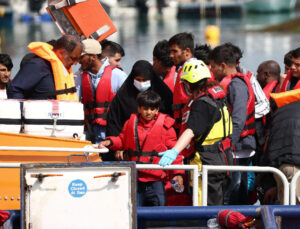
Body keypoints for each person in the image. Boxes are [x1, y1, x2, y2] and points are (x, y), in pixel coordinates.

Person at [159, 59, 233, 206]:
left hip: (206, 161)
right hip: (224, 157)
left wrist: (174, 151)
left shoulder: (202, 102)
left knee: (203, 205)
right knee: (216, 204)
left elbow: (191, 130)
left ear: (188, 84)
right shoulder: (219, 97)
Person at [99, 90, 184, 206]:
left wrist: (178, 173)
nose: (148, 112)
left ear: (157, 110)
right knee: (133, 210)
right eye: (145, 108)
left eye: (152, 109)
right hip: (135, 176)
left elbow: (175, 152)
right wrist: (109, 142)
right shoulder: (130, 124)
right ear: (139, 108)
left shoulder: (166, 127)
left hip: (156, 180)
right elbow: (122, 141)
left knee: (159, 211)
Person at [209, 43, 256, 205]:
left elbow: (238, 118)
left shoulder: (236, 85)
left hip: (238, 146)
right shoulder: (230, 82)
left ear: (222, 66)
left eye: (213, 66)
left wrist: (227, 145)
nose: (212, 70)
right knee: (237, 186)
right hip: (235, 145)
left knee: (233, 188)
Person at [104, 60, 173, 161]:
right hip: (128, 152)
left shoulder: (164, 94)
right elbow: (114, 122)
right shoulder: (123, 96)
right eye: (138, 80)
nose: (141, 83)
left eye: (145, 80)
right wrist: (117, 148)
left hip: (157, 153)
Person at [75, 39, 127, 144]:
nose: (78, 60)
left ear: (94, 57)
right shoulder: (79, 76)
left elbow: (127, 107)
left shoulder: (118, 75)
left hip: (111, 136)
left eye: (81, 57)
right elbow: (74, 102)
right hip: (90, 136)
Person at [7, 35, 82, 100]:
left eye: (77, 60)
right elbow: (15, 89)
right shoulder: (38, 65)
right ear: (61, 53)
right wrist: (20, 113)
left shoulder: (65, 70)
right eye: (73, 58)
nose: (75, 64)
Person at [262, 98, 300, 205]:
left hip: (280, 167)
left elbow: (268, 146)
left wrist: (269, 183)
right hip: (295, 167)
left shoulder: (281, 111)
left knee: (287, 210)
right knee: (295, 211)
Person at [168, 32, 196, 134]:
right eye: (170, 51)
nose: (171, 55)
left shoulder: (190, 71)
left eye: (174, 51)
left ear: (187, 51)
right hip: (186, 126)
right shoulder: (194, 68)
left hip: (190, 128)